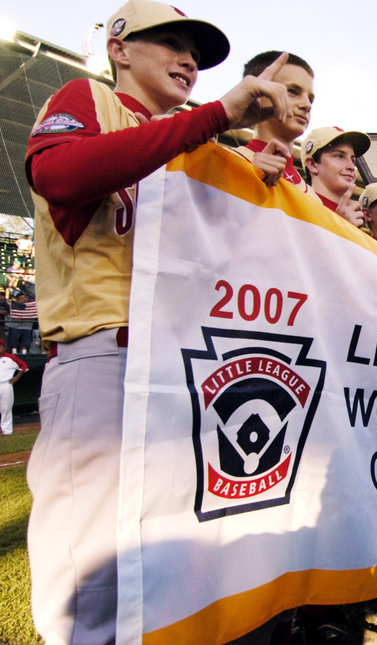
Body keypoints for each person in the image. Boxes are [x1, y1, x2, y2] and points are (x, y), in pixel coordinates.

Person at [23, 2, 296, 641]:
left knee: (166, 568)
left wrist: (251, 159)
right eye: (169, 42)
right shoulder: (88, 97)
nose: (188, 60)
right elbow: (59, 175)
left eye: (195, 52)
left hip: (179, 369)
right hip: (103, 359)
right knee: (88, 582)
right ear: (119, 49)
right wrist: (217, 119)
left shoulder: (195, 144)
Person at [230, 51, 315, 192]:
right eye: (293, 91)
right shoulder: (226, 161)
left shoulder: (313, 197)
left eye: (310, 99)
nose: (307, 105)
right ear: (257, 92)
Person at [301, 126, 371, 226]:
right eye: (339, 156)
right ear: (312, 164)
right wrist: (340, 228)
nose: (352, 167)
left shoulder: (355, 216)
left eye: (353, 160)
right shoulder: (296, 207)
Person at [0, 338, 27, 435]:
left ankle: (7, 431)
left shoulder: (11, 357)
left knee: (6, 407)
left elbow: (24, 366)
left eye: (0, 346)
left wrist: (16, 377)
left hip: (6, 384)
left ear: (4, 348)